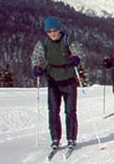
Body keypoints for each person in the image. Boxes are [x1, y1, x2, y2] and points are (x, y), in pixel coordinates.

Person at [31, 16, 85, 150]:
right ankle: (55, 138)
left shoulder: (67, 40)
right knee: (53, 111)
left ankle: (71, 138)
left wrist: (77, 58)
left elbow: (79, 52)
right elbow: (36, 57)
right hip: (53, 80)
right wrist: (37, 67)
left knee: (70, 111)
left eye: (55, 30)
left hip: (69, 80)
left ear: (59, 29)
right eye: (49, 31)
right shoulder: (43, 43)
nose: (53, 34)